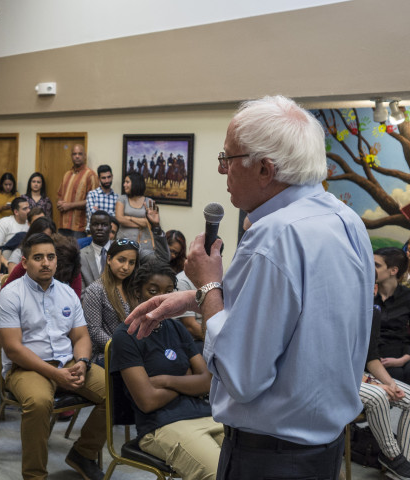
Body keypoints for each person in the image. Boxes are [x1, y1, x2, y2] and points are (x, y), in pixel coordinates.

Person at [125, 95, 374, 479]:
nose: (222, 170)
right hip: (323, 448)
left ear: (264, 169)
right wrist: (192, 299)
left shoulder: (273, 236)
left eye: (227, 158)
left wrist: (207, 284)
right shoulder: (344, 219)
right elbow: (297, 311)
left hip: (269, 457)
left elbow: (241, 375)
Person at [0, 233, 106, 480]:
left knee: (116, 388)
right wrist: (55, 374)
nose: (46, 263)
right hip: (26, 368)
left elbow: (81, 337)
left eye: (50, 257)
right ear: (24, 262)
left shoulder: (67, 293)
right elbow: (13, 349)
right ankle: (35, 476)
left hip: (69, 362)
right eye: (38, 257)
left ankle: (83, 453)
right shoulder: (10, 295)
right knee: (39, 402)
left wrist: (83, 363)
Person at [112, 258, 222, 480]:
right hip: (161, 425)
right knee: (219, 473)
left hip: (205, 414)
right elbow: (147, 400)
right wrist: (187, 380)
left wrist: (164, 380)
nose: (162, 299)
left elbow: (208, 382)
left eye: (169, 292)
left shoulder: (176, 327)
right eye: (153, 291)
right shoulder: (126, 335)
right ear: (136, 293)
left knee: (253, 462)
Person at [361, 281, 410, 478]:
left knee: (405, 395)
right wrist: (370, 382)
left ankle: (402, 471)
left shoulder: (373, 312)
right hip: (335, 377)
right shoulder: (335, 310)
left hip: (360, 375)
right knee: (378, 396)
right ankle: (391, 456)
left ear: (373, 288)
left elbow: (371, 357)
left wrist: (389, 383)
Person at [83, 238, 138, 366]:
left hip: (134, 350)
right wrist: (123, 347)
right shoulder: (96, 289)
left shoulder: (134, 289)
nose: (126, 267)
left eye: (131, 262)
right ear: (108, 259)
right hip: (107, 354)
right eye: (121, 260)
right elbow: (94, 331)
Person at [374, 247, 410, 383]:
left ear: (393, 271)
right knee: (396, 374)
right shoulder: (367, 293)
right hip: (374, 353)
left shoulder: (407, 296)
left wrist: (403, 359)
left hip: (400, 352)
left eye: (377, 265)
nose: (371, 269)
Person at [56, 144, 99, 239]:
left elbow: (94, 201)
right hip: (63, 225)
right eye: (74, 154)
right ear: (71, 156)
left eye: (80, 154)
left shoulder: (90, 175)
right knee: (61, 252)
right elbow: (59, 195)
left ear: (84, 156)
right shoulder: (67, 174)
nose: (77, 156)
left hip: (79, 227)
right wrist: (59, 203)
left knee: (77, 253)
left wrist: (69, 205)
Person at [115, 172, 153, 251]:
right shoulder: (122, 199)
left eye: (127, 182)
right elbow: (120, 219)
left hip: (144, 244)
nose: (124, 185)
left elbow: (149, 223)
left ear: (136, 183)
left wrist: (129, 217)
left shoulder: (149, 202)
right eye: (124, 182)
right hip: (123, 243)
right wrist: (142, 222)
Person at [79, 210, 113, 293]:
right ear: (90, 227)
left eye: (104, 225)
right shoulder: (80, 256)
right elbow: (81, 292)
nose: (99, 228)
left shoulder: (121, 250)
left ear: (110, 228)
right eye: (95, 224)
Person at [85, 165, 117, 231]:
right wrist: (111, 214)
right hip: (92, 234)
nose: (107, 180)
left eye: (109, 177)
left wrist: (99, 211)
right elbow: (93, 216)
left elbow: (116, 219)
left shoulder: (116, 197)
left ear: (112, 176)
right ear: (98, 179)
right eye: (103, 178)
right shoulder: (92, 194)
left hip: (110, 235)